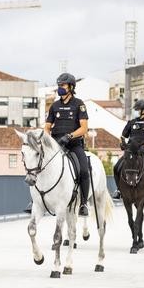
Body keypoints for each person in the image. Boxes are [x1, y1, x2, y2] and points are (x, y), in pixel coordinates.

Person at [45, 73, 90, 216]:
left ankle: (83, 203)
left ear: (71, 87)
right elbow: (47, 127)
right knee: (39, 166)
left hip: (73, 145)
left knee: (83, 171)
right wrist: (48, 138)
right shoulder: (54, 106)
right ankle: (35, 201)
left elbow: (84, 128)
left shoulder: (79, 104)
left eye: (63, 86)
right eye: (59, 86)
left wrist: (69, 136)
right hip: (56, 145)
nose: (60, 88)